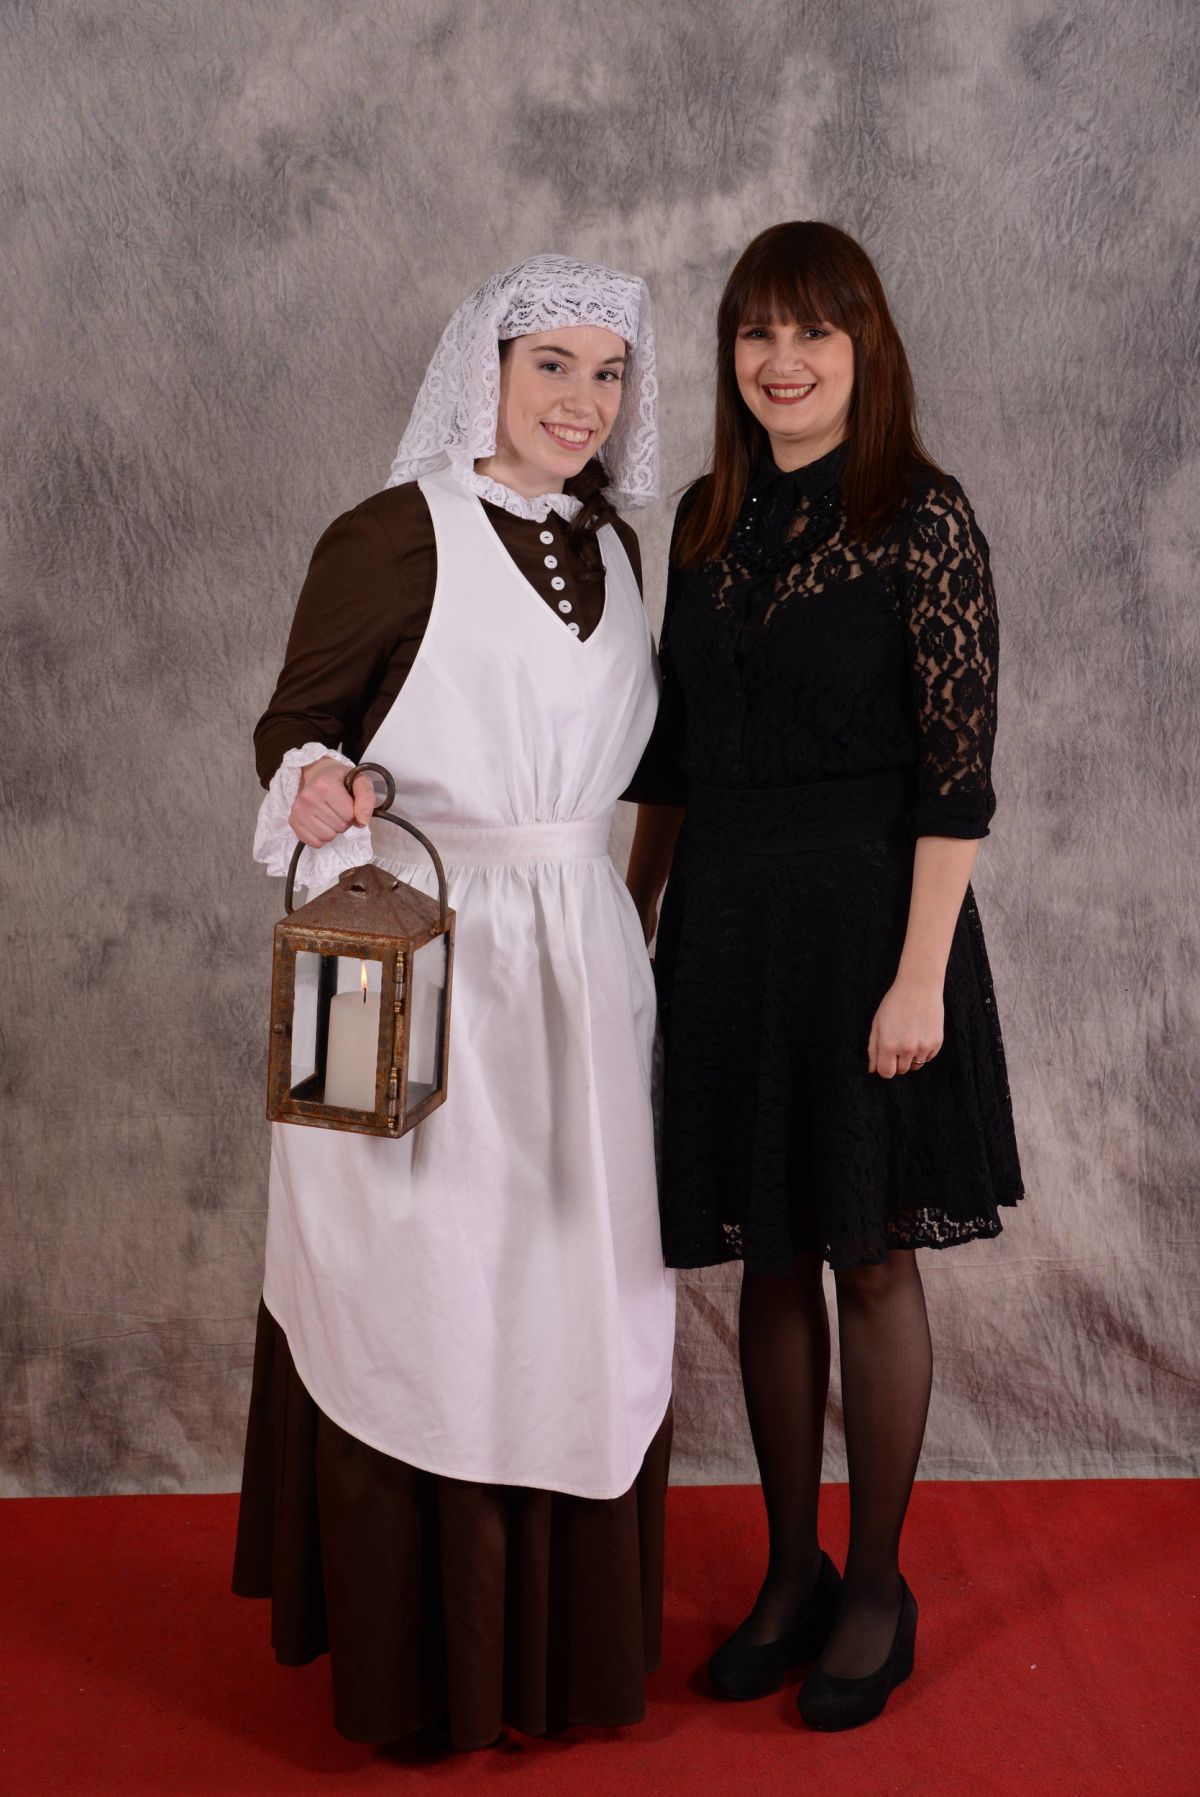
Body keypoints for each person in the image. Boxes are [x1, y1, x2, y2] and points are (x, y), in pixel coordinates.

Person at [233, 254, 676, 1752]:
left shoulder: (615, 547)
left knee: (570, 1282)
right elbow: (294, 728)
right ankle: (426, 1671)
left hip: (582, 964)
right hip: (429, 962)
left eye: (608, 373)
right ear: (482, 370)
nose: (582, 400)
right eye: (552, 365)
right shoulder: (389, 535)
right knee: (435, 1281)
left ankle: (559, 1657)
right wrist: (321, 784)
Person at [625, 220, 1024, 1732]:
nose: (781, 361)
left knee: (867, 1253)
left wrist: (920, 978)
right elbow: (670, 759)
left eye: (812, 332)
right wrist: (629, 923)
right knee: (768, 1257)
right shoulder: (703, 520)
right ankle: (790, 1570)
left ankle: (877, 1584)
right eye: (755, 333)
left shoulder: (921, 516)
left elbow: (958, 778)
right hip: (727, 931)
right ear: (730, 355)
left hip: (871, 934)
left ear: (866, 350)